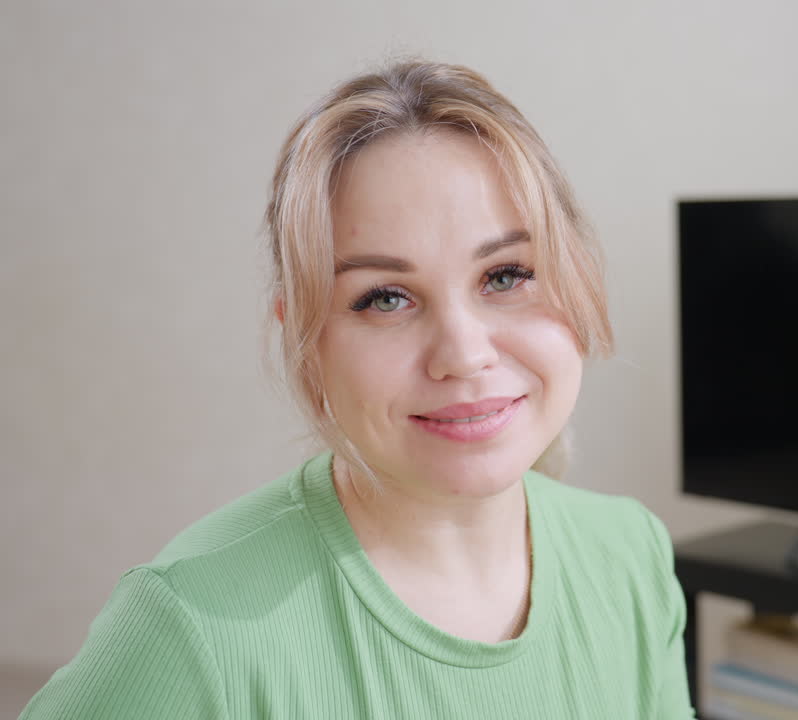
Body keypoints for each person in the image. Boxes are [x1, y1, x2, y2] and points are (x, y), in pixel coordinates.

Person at [21, 59, 696, 719]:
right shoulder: (192, 621)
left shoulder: (632, 554)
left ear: (580, 276)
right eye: (386, 298)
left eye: (506, 275)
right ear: (305, 340)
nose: (463, 355)